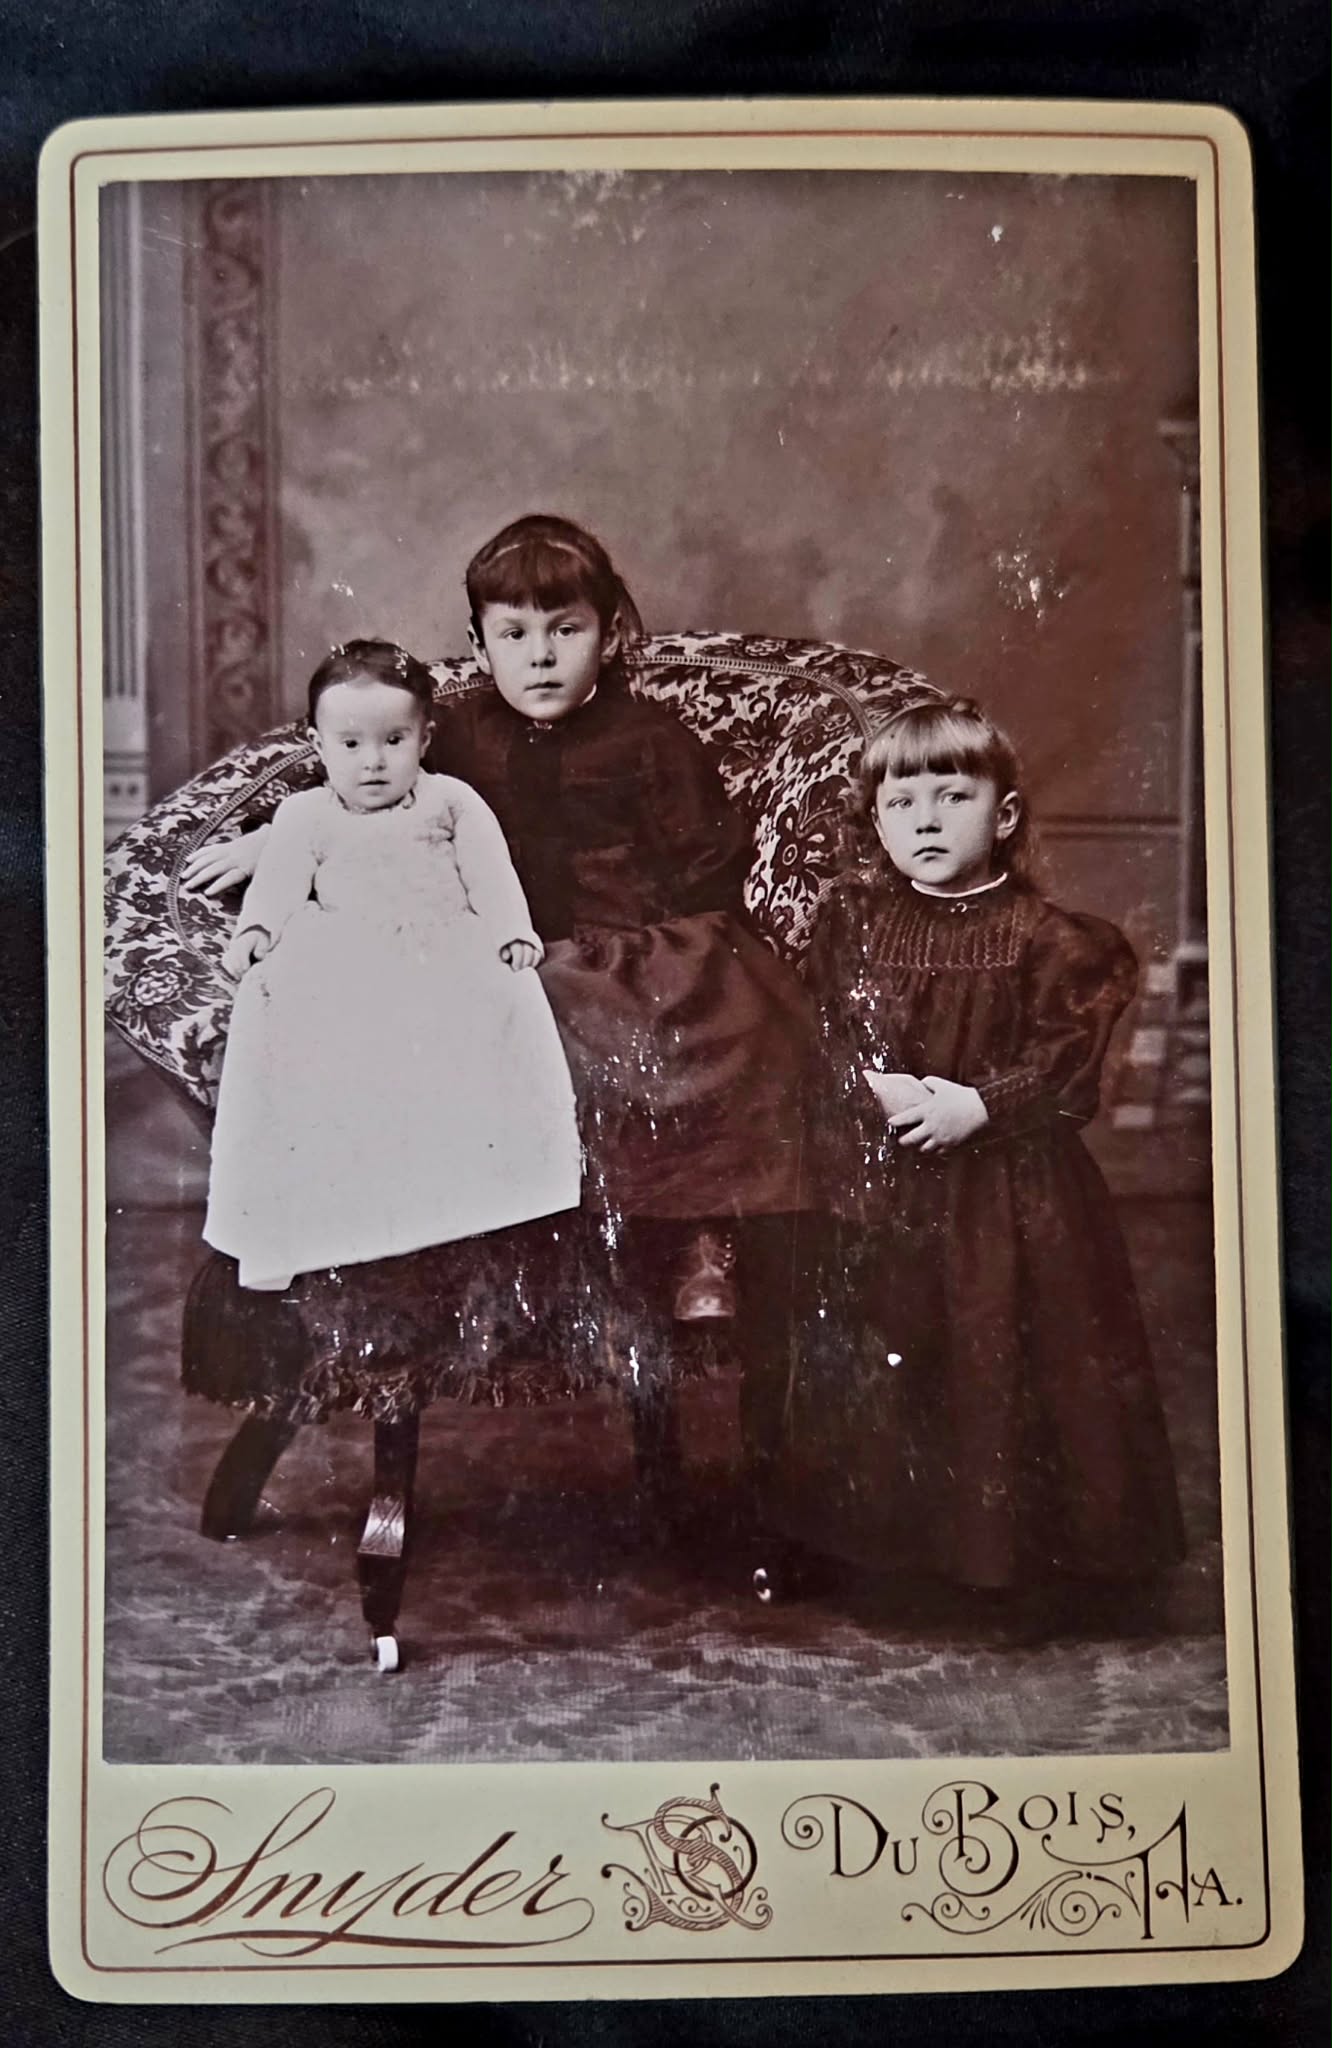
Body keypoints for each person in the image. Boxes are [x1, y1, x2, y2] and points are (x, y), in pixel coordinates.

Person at [186, 517, 812, 1506]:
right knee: (471, 1013)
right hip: (494, 946)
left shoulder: (654, 739)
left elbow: (708, 872)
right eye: (513, 634)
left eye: (564, 630)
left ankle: (700, 1238)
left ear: (610, 631)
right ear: (478, 643)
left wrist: (667, 940)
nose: (540, 656)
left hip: (631, 944)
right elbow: (370, 791)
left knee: (723, 1024)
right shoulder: (460, 729)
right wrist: (277, 843)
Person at [746, 695, 1185, 1622]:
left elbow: (1066, 1067)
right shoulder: (854, 925)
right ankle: (890, 1560)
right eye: (902, 805)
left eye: (952, 797)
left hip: (1010, 1194)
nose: (928, 821)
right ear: (875, 824)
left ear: (1005, 817)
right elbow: (820, 1031)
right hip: (883, 1178)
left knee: (1003, 1356)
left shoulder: (1058, 941)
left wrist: (980, 1105)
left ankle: (1020, 1571)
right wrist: (877, 1088)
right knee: (888, 1354)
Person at [205, 639, 580, 1291]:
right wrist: (258, 931)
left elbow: (490, 875)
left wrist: (511, 931)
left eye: (394, 740)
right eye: (350, 745)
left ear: (424, 737)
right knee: (283, 1006)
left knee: (503, 1006)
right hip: (346, 946)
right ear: (317, 745)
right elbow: (280, 884)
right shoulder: (305, 815)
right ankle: (313, 1218)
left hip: (443, 945)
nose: (374, 763)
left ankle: (476, 1202)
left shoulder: (450, 803)